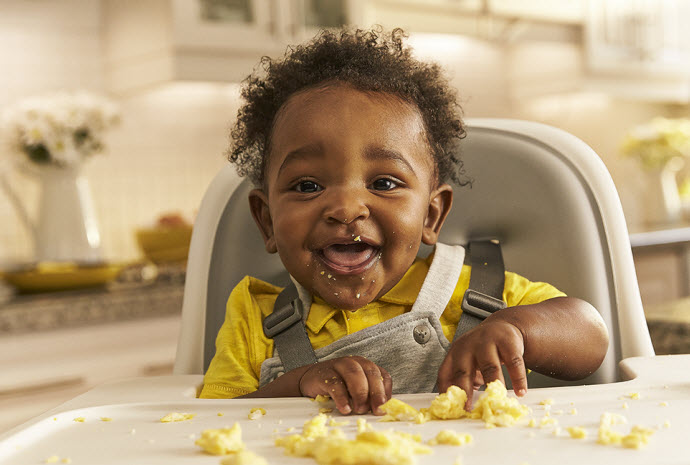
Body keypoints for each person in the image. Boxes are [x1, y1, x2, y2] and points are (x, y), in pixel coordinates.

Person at [199, 27, 609, 416]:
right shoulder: (257, 316)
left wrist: (519, 330)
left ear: (432, 214)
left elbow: (591, 335)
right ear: (267, 221)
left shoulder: (478, 295)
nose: (346, 209)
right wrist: (299, 383)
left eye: (383, 182)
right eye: (307, 186)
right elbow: (209, 419)